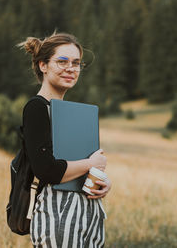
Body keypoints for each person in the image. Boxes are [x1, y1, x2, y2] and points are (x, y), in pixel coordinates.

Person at [17, 32, 111, 247]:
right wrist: (91, 163)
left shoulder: (74, 113)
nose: (71, 68)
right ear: (43, 65)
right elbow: (46, 170)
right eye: (62, 61)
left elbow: (80, 165)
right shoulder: (37, 108)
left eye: (76, 63)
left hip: (89, 211)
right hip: (57, 213)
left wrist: (102, 182)